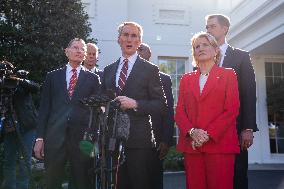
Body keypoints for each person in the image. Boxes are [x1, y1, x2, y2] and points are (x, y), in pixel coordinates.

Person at [102, 21, 167, 189]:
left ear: (139, 42)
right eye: (125, 35)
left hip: (140, 141)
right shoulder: (108, 71)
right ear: (119, 39)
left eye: (134, 36)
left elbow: (161, 104)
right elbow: (103, 102)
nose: (129, 39)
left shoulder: (150, 70)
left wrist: (136, 103)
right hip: (113, 140)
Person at [175, 32, 240, 189]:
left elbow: (231, 109)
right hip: (192, 146)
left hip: (220, 145)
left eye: (205, 44)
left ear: (215, 50)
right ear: (194, 53)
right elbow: (180, 112)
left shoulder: (228, 74)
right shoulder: (186, 79)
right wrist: (192, 132)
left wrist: (207, 134)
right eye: (197, 46)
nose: (200, 48)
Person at [33, 38, 101, 189]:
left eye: (82, 49)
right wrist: (39, 138)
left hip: (83, 140)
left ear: (85, 55)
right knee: (52, 181)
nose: (79, 51)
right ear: (66, 52)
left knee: (82, 182)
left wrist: (93, 137)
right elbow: (44, 109)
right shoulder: (52, 77)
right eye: (75, 48)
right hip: (54, 138)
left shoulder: (93, 79)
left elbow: (97, 111)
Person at [205, 14, 258, 189]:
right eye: (207, 27)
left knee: (237, 175)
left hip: (235, 129)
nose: (208, 30)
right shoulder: (202, 58)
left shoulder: (241, 57)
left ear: (225, 28)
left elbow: (248, 93)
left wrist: (248, 128)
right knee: (211, 177)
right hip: (208, 130)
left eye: (212, 26)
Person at [137, 43, 174, 189]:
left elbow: (168, 110)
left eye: (142, 49)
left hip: (156, 141)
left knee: (154, 181)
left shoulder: (163, 79)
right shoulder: (124, 76)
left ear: (149, 54)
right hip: (131, 140)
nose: (138, 52)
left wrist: (166, 139)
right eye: (137, 49)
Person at [0, 61, 39, 189]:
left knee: (24, 161)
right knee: (9, 160)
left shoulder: (19, 81)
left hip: (27, 126)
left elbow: (36, 87)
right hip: (9, 127)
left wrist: (19, 80)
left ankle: (23, 186)